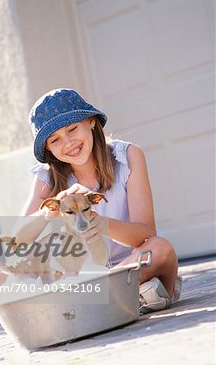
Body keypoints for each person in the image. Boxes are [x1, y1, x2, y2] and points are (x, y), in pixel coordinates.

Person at [21, 88, 182, 313]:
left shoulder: (128, 156)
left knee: (160, 249)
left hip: (129, 266)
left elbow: (146, 233)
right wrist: (53, 209)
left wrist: (101, 224)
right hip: (83, 276)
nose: (68, 143)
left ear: (91, 122)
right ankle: (136, 297)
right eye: (55, 140)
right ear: (48, 148)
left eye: (72, 128)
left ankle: (105, 301)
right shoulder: (47, 177)